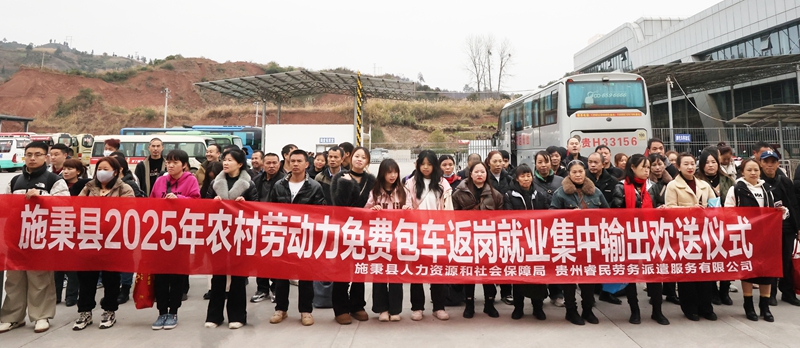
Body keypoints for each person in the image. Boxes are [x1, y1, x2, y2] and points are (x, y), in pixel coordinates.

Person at [0, 141, 68, 334]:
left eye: (37, 154)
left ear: (46, 157)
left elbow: (65, 205)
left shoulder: (54, 180)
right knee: (14, 279)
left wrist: (42, 197)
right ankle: (12, 317)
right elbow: (6, 208)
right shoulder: (15, 181)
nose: (32, 158)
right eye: (29, 154)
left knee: (40, 278)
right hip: (17, 237)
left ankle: (41, 316)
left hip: (42, 237)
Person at [73, 156, 135, 330]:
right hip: (89, 239)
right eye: (100, 168)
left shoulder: (125, 188)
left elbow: (128, 211)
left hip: (112, 240)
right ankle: (84, 312)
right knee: (86, 278)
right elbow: (77, 207)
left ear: (115, 171)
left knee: (111, 278)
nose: (102, 172)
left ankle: (109, 310)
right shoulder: (88, 187)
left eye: (106, 169)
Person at [268, 149, 327, 326]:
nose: (295, 164)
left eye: (299, 161)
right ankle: (281, 309)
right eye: (292, 160)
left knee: (305, 275)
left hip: (305, 238)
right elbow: (270, 210)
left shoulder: (314, 187)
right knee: (281, 275)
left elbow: (320, 213)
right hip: (283, 237)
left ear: (306, 164)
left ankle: (306, 311)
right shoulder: (279, 185)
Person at [612, 154, 670, 325]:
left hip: (651, 236)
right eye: (643, 167)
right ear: (632, 168)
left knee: (654, 274)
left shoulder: (653, 186)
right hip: (630, 237)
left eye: (648, 167)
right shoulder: (621, 187)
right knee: (631, 275)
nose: (647, 170)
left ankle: (657, 311)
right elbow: (616, 213)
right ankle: (635, 310)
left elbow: (658, 205)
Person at [204, 148, 257, 330]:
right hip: (218, 234)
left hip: (240, 236)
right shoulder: (215, 183)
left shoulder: (249, 184)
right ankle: (214, 316)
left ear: (240, 164)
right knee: (217, 276)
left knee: (238, 277)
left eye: (230, 160)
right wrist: (213, 203)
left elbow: (257, 210)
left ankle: (237, 316)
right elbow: (204, 206)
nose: (225, 163)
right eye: (225, 159)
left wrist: (247, 205)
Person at [550, 159, 608, 325]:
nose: (578, 175)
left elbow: (607, 213)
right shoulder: (560, 193)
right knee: (569, 279)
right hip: (568, 242)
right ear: (569, 174)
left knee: (588, 278)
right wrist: (568, 214)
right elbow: (551, 215)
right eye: (574, 172)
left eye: (580, 171)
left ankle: (588, 310)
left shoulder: (595, 192)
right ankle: (571, 311)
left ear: (585, 172)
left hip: (590, 241)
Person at [147, 150, 201, 330]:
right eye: (168, 162)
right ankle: (162, 311)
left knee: (177, 276)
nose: (170, 165)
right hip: (161, 234)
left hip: (181, 234)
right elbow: (151, 202)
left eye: (175, 162)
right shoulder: (160, 180)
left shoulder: (191, 180)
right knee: (160, 276)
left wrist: (178, 198)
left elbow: (196, 202)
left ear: (184, 165)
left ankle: (173, 312)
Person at [665, 152, 717, 321]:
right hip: (683, 235)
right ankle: (689, 308)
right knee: (687, 272)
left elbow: (714, 206)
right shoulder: (673, 186)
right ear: (678, 167)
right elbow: (670, 210)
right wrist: (691, 210)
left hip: (704, 234)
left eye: (692, 164)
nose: (690, 167)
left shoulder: (704, 185)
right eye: (685, 164)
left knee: (705, 271)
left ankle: (706, 307)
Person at [724, 158, 775, 322]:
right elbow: (728, 211)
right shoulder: (737, 189)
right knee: (748, 270)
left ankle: (764, 306)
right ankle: (748, 305)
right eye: (749, 170)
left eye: (756, 170)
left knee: (767, 271)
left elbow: (773, 209)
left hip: (766, 236)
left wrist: (781, 212)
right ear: (742, 172)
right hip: (746, 236)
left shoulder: (766, 189)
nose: (753, 173)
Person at [452, 161, 504, 319]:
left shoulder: (495, 195)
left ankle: (489, 304)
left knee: (488, 273)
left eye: (483, 172)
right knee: (470, 273)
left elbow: (502, 219)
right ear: (470, 174)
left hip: (488, 240)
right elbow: (453, 217)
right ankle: (469, 305)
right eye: (477, 172)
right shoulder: (458, 194)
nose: (480, 174)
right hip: (467, 239)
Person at [330, 147, 376, 325]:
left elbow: (369, 203)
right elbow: (339, 203)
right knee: (342, 269)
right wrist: (347, 184)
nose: (359, 159)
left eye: (363, 157)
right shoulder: (340, 178)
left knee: (359, 269)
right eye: (357, 156)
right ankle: (340, 308)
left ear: (367, 161)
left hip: (364, 230)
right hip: (343, 229)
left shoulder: (371, 180)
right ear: (349, 158)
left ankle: (357, 305)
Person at [405, 150, 453, 321]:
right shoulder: (410, 183)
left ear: (434, 165)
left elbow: (448, 209)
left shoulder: (443, 184)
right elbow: (406, 205)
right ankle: (417, 307)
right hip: (416, 233)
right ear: (418, 165)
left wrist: (447, 230)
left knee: (436, 270)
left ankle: (438, 307)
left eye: (429, 164)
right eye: (422, 163)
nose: (425, 167)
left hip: (437, 232)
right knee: (416, 271)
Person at [366, 159, 411, 322]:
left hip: (398, 238)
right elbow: (364, 212)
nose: (392, 176)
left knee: (395, 275)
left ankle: (395, 309)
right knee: (379, 274)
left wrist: (407, 210)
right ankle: (381, 309)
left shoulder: (403, 191)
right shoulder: (375, 191)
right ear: (382, 174)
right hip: (379, 238)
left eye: (395, 172)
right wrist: (373, 210)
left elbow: (412, 212)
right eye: (389, 172)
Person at [504, 164, 548, 320]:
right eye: (522, 176)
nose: (526, 178)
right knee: (519, 276)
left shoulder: (540, 194)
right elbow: (509, 217)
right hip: (519, 241)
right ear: (517, 178)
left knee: (537, 276)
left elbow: (547, 216)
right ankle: (518, 307)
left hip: (537, 241)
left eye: (528, 175)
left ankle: (538, 307)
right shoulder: (509, 195)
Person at [694, 148, 736, 306]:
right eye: (707, 162)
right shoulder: (697, 180)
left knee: (726, 259)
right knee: (708, 259)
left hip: (726, 226)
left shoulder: (728, 180)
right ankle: (712, 291)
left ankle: (725, 290)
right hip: (705, 227)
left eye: (713, 162)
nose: (710, 165)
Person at [759, 150, 800, 307]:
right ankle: (770, 293)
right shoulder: (758, 182)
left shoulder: (785, 181)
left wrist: (797, 227)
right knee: (770, 261)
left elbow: (793, 204)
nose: (769, 165)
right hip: (767, 229)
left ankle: (788, 292)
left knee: (786, 260)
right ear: (761, 163)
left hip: (787, 227)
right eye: (766, 162)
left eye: (773, 162)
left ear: (777, 163)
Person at [531, 151, 565, 307]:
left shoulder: (561, 181)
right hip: (536, 230)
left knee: (556, 261)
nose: (543, 165)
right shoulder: (529, 180)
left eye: (546, 162)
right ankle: (538, 296)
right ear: (535, 164)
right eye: (539, 162)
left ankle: (557, 293)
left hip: (557, 229)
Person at [251, 153, 285, 304]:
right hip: (259, 224)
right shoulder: (256, 180)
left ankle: (276, 289)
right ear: (263, 164)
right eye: (268, 163)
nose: (271, 166)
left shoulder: (285, 181)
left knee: (277, 259)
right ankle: (262, 289)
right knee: (260, 258)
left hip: (278, 225)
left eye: (274, 163)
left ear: (279, 164)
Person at [646, 153, 680, 306]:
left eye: (660, 164)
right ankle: (654, 293)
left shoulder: (672, 183)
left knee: (669, 259)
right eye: (654, 165)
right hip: (651, 227)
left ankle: (671, 292)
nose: (658, 168)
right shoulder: (646, 184)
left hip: (669, 226)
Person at [55, 159, 89, 308]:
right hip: (58, 226)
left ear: (78, 171)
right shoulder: (57, 184)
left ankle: (71, 296)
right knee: (57, 265)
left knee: (72, 266)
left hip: (76, 227)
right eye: (65, 169)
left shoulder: (85, 186)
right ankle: (55, 295)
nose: (66, 171)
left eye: (70, 169)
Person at [484, 150, 513, 303]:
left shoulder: (509, 178)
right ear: (488, 163)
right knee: (490, 260)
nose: (498, 164)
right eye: (494, 161)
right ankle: (490, 294)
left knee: (505, 258)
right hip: (488, 224)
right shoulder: (484, 178)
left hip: (505, 224)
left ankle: (506, 292)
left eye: (500, 161)